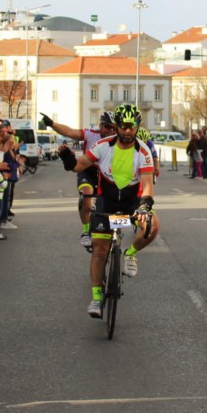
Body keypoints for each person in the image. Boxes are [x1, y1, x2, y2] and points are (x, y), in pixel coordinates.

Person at [59, 104, 159, 317]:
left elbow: (148, 183)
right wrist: (69, 160)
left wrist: (145, 205)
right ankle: (96, 298)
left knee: (152, 225)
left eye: (132, 126)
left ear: (137, 126)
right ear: (117, 126)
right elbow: (80, 165)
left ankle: (130, 254)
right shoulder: (104, 146)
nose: (128, 131)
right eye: (123, 126)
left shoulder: (143, 151)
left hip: (132, 201)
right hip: (108, 203)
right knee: (100, 250)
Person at [41, 113, 114, 250]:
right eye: (108, 127)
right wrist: (52, 124)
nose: (111, 131)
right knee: (87, 195)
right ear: (100, 126)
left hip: (108, 173)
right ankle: (86, 231)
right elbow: (70, 132)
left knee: (115, 204)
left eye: (114, 128)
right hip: (88, 169)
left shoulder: (119, 139)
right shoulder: (91, 134)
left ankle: (116, 230)